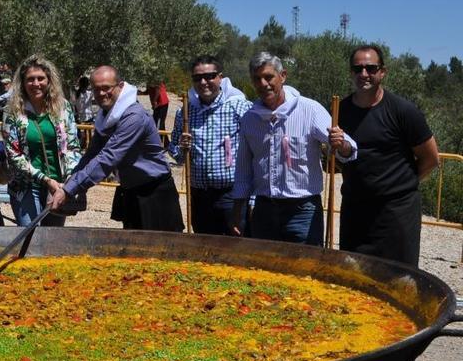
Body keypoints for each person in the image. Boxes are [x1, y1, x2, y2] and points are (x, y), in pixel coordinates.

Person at [231, 52, 356, 246]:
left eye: (268, 77)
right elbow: (243, 170)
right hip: (264, 208)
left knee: (305, 269)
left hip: (303, 210)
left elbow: (347, 148)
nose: (263, 84)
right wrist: (238, 210)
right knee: (264, 270)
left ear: (283, 76)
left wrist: (341, 144)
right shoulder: (250, 119)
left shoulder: (309, 110)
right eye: (257, 79)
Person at [48, 65, 184, 231]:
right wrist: (71, 180)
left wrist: (69, 190)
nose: (101, 94)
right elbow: (92, 153)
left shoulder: (133, 116)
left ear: (120, 86)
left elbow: (108, 158)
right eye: (96, 89)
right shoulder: (105, 115)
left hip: (155, 194)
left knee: (163, 253)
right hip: (130, 192)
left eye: (106, 88)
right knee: (133, 253)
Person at [339, 45, 439, 266]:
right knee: (353, 276)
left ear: (382, 71)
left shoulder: (403, 111)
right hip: (355, 210)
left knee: (399, 278)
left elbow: (431, 158)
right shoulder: (341, 110)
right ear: (351, 73)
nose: (364, 74)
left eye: (370, 68)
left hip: (396, 213)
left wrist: (400, 185)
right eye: (358, 69)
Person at [168, 56, 252, 236]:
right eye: (197, 78)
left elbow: (257, 147)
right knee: (204, 250)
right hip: (199, 196)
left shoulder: (239, 108)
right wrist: (182, 149)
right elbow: (175, 151)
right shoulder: (185, 112)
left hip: (231, 195)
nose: (203, 82)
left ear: (220, 77)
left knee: (236, 248)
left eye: (209, 76)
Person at [1, 55, 81, 227]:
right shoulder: (12, 110)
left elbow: (73, 146)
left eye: (40, 78)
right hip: (28, 185)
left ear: (49, 80)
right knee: (30, 239)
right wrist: (45, 180)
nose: (36, 84)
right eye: (30, 79)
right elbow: (14, 154)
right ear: (22, 82)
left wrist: (68, 179)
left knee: (53, 240)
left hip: (59, 185)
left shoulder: (63, 106)